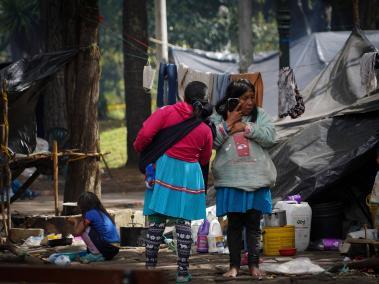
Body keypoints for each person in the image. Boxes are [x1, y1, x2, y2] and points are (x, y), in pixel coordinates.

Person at [134, 81, 213, 283]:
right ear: (204, 100)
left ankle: (149, 269)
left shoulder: (166, 112)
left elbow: (145, 135)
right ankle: (182, 272)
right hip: (190, 174)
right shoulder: (205, 128)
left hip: (164, 170)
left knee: (157, 220)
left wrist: (141, 150)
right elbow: (204, 159)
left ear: (183, 96)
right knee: (183, 222)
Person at [210, 79, 277, 279]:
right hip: (231, 180)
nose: (250, 102)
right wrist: (229, 123)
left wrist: (246, 128)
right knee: (235, 225)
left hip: (256, 179)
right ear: (233, 98)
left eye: (252, 97)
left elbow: (271, 137)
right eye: (245, 98)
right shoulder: (218, 117)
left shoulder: (260, 116)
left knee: (254, 225)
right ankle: (234, 266)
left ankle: (254, 266)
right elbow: (212, 141)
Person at [68, 192, 120, 263]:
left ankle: (96, 254)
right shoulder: (101, 212)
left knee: (84, 228)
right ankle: (98, 253)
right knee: (87, 226)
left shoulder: (90, 213)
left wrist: (75, 221)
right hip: (114, 249)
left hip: (108, 248)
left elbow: (77, 232)